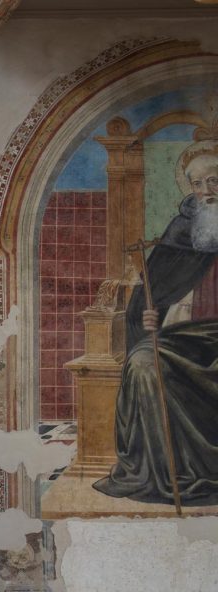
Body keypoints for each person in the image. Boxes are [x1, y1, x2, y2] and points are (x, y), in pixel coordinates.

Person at [94, 140, 218, 505]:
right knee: (144, 364)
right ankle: (168, 471)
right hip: (180, 338)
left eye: (215, 181)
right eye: (198, 184)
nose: (207, 191)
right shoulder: (180, 232)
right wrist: (148, 316)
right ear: (189, 188)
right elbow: (151, 294)